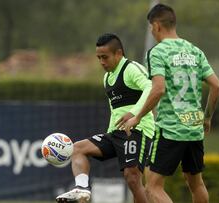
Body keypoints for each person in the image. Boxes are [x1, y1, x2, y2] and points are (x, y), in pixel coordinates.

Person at [121, 4, 219, 203]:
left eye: (151, 27)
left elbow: (158, 89)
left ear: (157, 25)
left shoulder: (157, 52)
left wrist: (137, 117)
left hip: (171, 129)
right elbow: (216, 86)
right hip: (194, 127)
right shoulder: (195, 50)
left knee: (152, 187)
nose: (152, 31)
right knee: (196, 183)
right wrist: (207, 118)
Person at [56, 33, 154, 203]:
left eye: (105, 57)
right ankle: (82, 188)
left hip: (138, 130)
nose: (102, 62)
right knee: (77, 149)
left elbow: (151, 87)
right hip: (116, 133)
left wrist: (134, 114)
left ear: (119, 53)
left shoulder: (130, 68)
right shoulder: (107, 78)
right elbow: (114, 109)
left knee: (132, 178)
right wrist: (110, 134)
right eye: (99, 58)